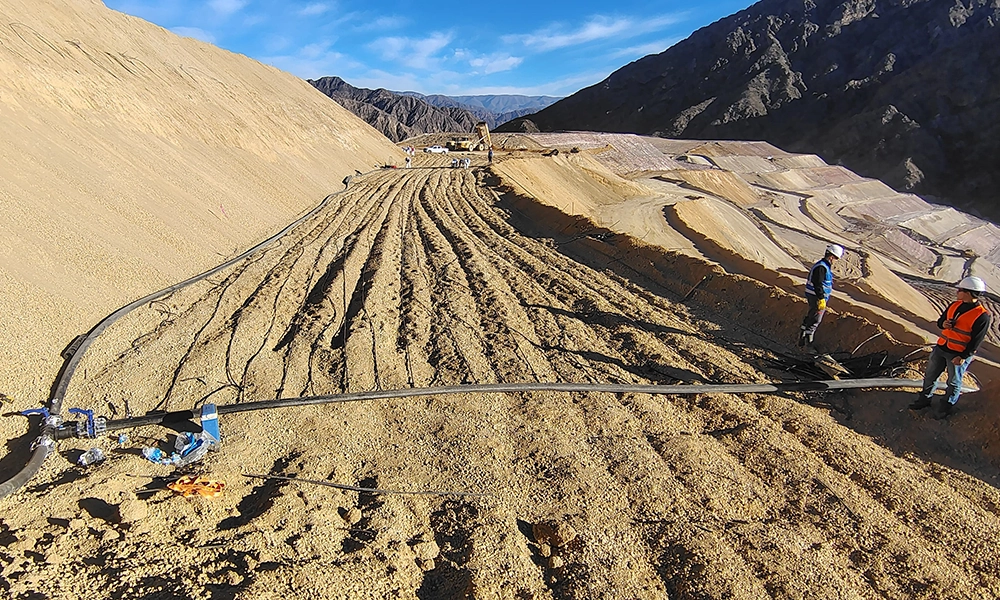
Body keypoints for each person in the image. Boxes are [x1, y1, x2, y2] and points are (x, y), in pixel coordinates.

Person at [910, 276, 991, 419]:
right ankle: (924, 400)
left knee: (954, 382)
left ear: (969, 292)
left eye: (960, 290)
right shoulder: (954, 305)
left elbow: (976, 341)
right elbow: (941, 322)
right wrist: (944, 324)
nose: (957, 292)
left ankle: (946, 406)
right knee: (930, 376)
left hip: (958, 354)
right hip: (942, 347)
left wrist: (964, 356)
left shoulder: (982, 316)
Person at [798, 244, 844, 347]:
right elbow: (817, 283)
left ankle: (803, 336)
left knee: (811, 315)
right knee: (816, 319)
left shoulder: (823, 266)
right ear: (831, 257)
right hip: (815, 296)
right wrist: (821, 298)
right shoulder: (822, 267)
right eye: (836, 258)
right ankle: (808, 342)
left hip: (814, 295)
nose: (836, 261)